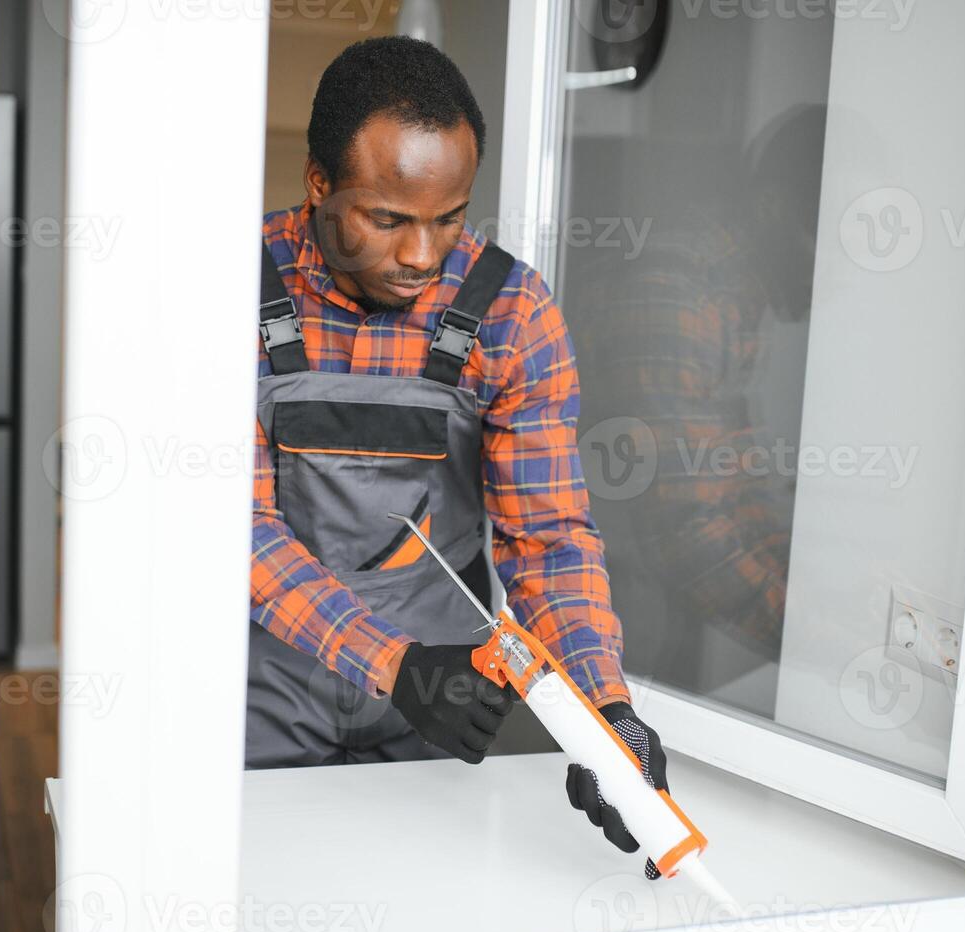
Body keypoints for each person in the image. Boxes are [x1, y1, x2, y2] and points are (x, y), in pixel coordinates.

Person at [247, 36, 669, 876]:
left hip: (437, 707)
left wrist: (606, 708)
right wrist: (391, 663)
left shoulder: (511, 313)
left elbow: (544, 542)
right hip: (259, 695)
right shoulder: (224, 285)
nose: (422, 256)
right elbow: (236, 529)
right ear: (319, 184)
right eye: (388, 219)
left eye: (448, 217)